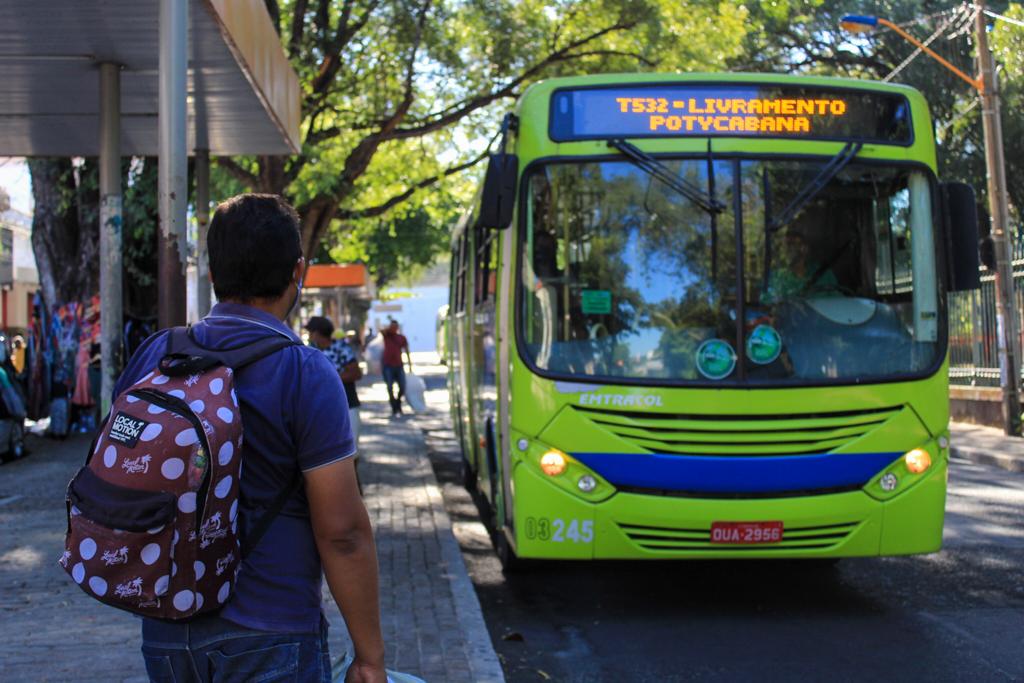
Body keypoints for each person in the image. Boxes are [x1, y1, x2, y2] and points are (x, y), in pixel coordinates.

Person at [113, 194, 386, 683]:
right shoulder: (305, 372)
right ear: (297, 272)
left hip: (166, 631)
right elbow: (342, 533)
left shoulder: (156, 353)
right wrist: (369, 657)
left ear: (214, 274)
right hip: (272, 630)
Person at [305, 316, 363, 454]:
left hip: (347, 405)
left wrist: (327, 379)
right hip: (322, 410)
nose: (309, 336)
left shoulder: (341, 348)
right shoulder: (310, 351)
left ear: (317, 333)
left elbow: (356, 373)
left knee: (351, 453)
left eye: (311, 332)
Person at [380, 320, 411, 417]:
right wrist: (388, 330)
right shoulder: (386, 336)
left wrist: (410, 364)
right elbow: (381, 331)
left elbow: (406, 350)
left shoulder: (401, 338)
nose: (393, 329)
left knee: (402, 386)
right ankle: (394, 406)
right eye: (392, 327)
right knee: (390, 387)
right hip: (388, 365)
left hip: (399, 365)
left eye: (395, 327)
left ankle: (398, 403)